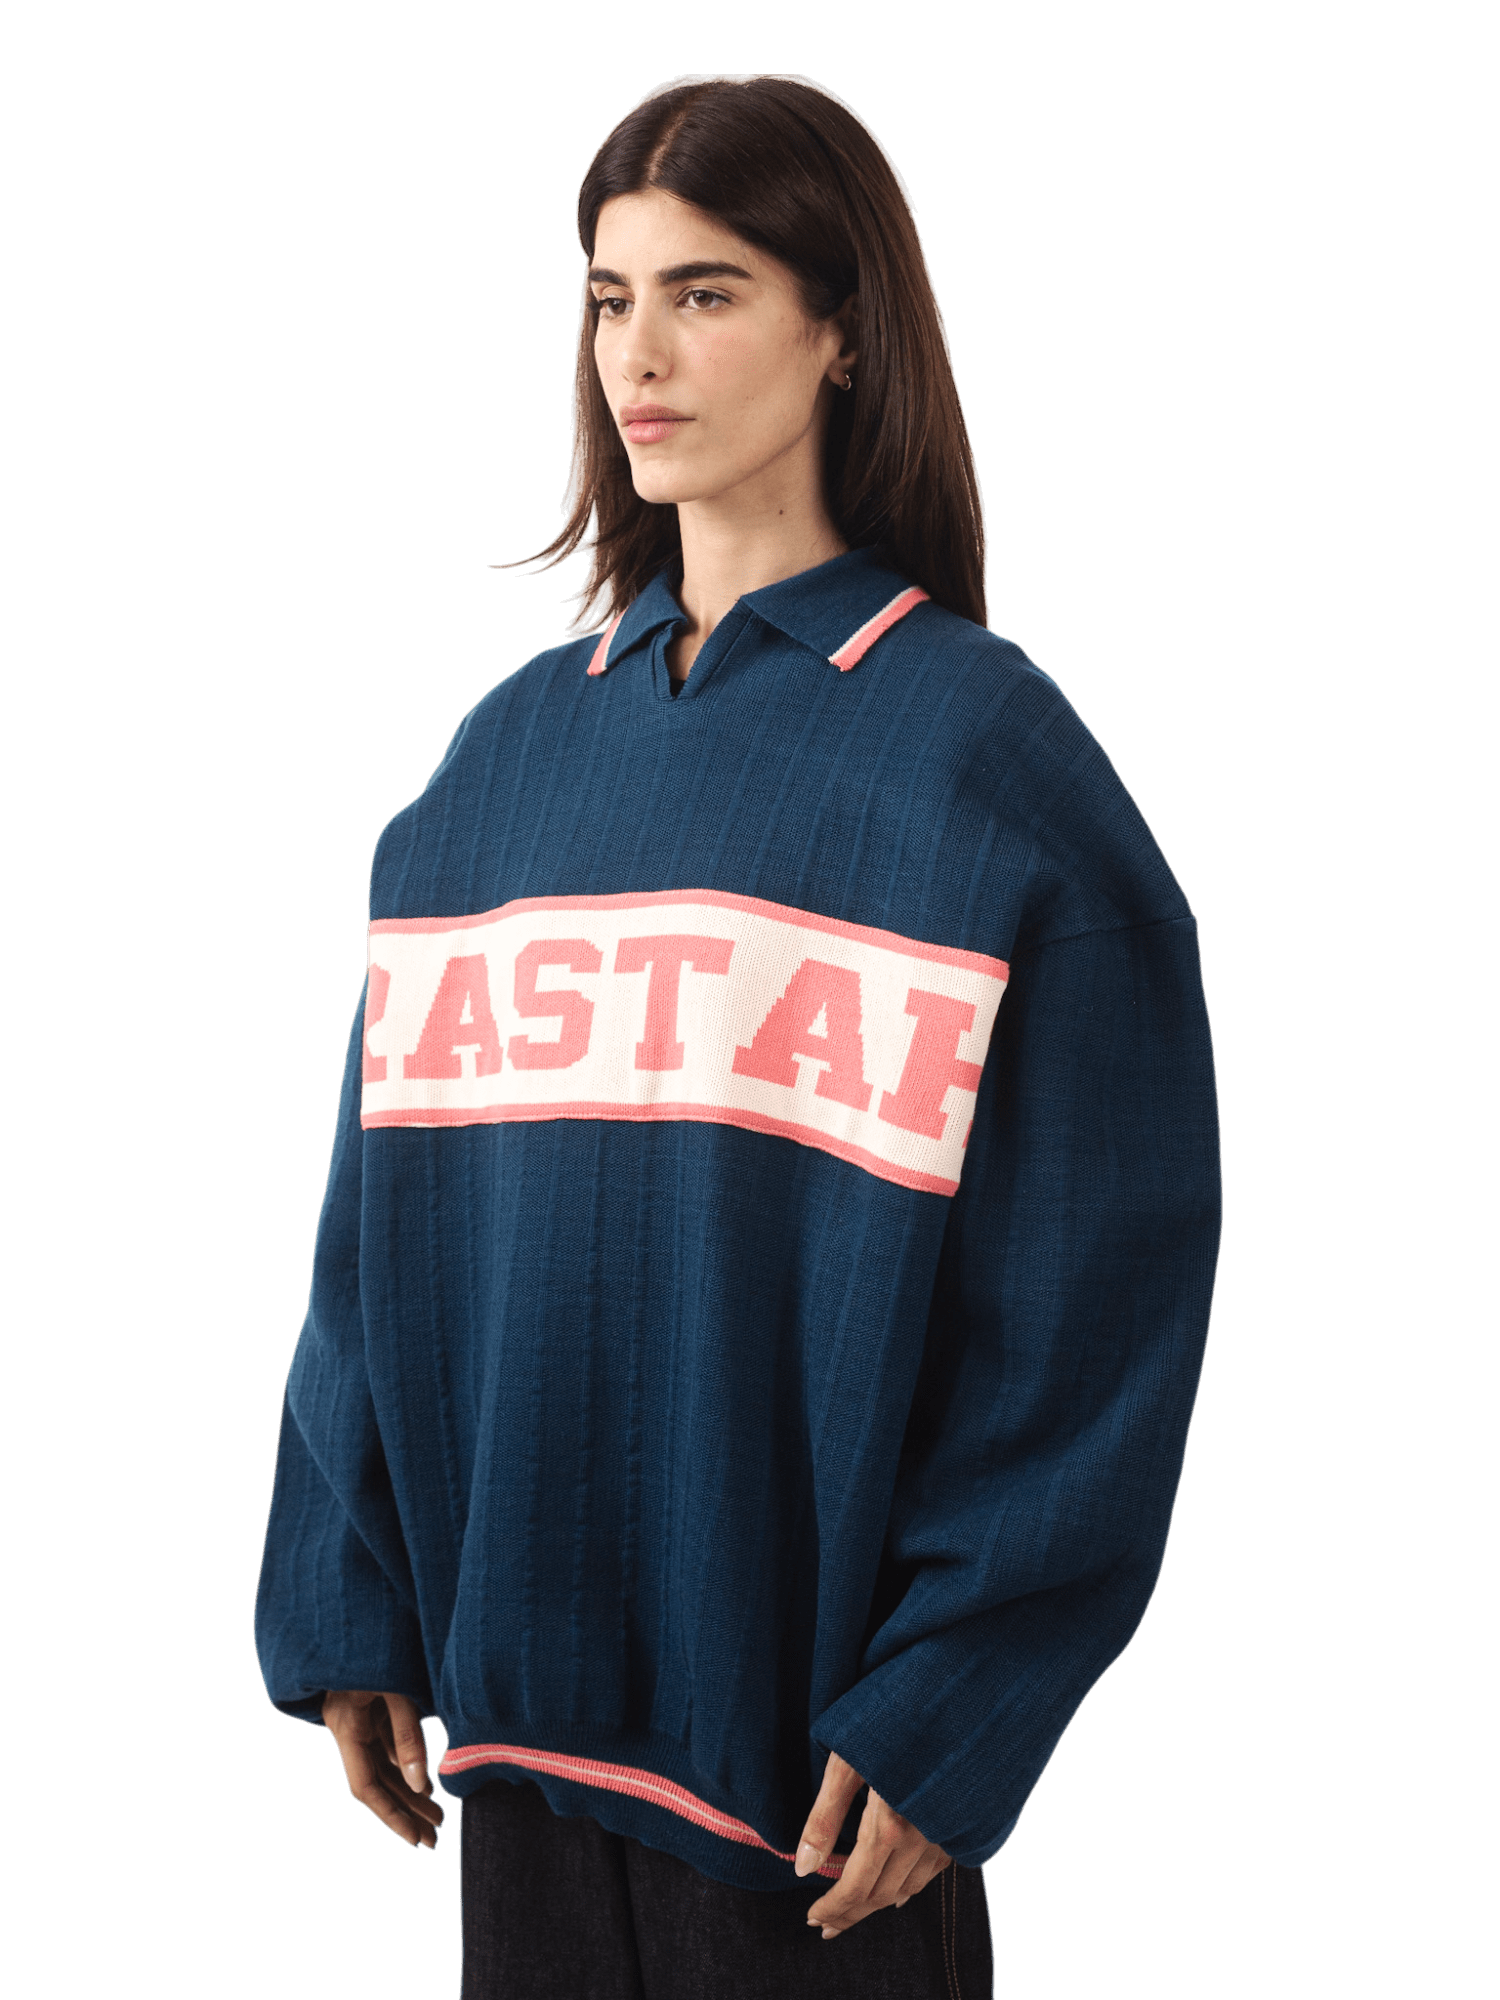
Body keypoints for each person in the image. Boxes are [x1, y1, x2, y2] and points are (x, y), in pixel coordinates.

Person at [254, 72, 1222, 1999]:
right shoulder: (497, 767)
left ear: (842, 328)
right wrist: (345, 1582)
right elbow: (383, 1225)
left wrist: (962, 1694)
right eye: (608, 301)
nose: (638, 355)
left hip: (823, 1806)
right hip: (515, 1761)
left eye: (706, 294)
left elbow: (1097, 1300)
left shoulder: (988, 766)